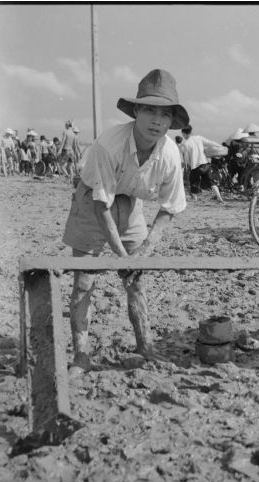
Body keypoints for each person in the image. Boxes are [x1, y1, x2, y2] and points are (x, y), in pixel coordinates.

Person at [61, 68, 190, 374]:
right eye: (149, 110)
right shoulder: (110, 143)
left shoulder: (171, 154)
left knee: (136, 278)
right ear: (135, 111)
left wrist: (143, 251)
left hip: (130, 203)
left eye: (165, 114)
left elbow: (170, 207)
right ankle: (81, 355)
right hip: (91, 199)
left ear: (172, 121)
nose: (156, 121)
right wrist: (120, 255)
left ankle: (146, 347)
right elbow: (101, 204)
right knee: (84, 281)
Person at [181, 124, 226, 203]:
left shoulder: (186, 143)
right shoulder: (199, 138)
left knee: (194, 183)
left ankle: (195, 200)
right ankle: (219, 198)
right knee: (211, 182)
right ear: (191, 132)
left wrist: (187, 165)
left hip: (195, 166)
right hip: (205, 164)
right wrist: (219, 146)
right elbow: (210, 143)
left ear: (184, 133)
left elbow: (187, 158)